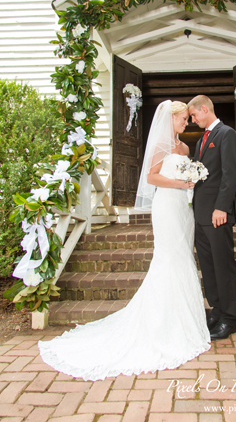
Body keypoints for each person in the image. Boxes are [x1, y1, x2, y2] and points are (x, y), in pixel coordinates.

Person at [38, 100, 211, 381]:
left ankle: (184, 319)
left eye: (186, 120)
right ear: (171, 119)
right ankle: (161, 323)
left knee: (184, 256)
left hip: (183, 209)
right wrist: (182, 183)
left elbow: (183, 172)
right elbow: (153, 177)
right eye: (182, 119)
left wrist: (191, 180)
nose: (186, 123)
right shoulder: (160, 147)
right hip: (167, 207)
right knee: (168, 257)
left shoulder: (184, 149)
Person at [187, 95, 236, 341]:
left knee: (223, 266)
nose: (192, 120)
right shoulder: (201, 141)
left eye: (194, 115)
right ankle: (217, 310)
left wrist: (222, 207)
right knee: (208, 268)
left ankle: (229, 318)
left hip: (217, 215)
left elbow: (231, 174)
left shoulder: (226, 134)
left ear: (204, 109)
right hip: (200, 215)